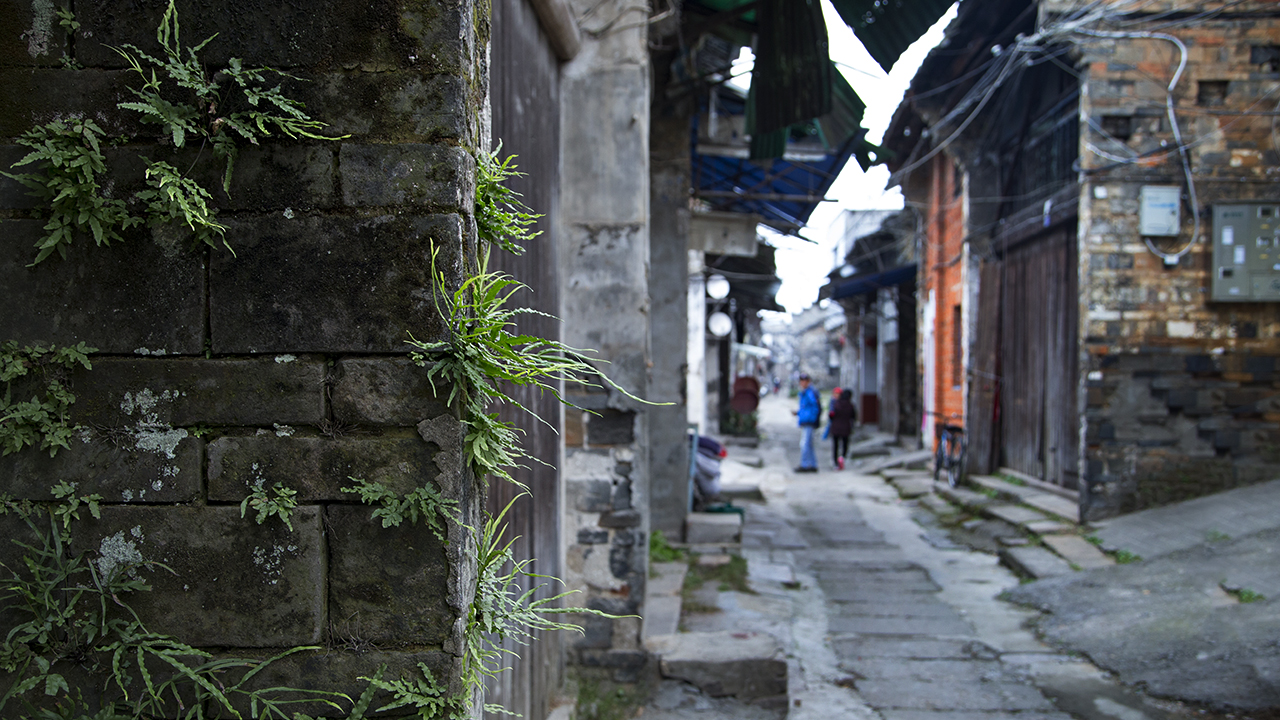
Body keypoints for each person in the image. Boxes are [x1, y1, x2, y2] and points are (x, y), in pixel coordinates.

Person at [792, 373, 820, 472]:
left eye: (804, 381)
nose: (802, 383)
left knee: (804, 444)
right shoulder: (804, 392)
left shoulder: (810, 392)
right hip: (806, 421)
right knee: (809, 444)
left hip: (809, 422)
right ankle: (813, 464)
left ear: (808, 382)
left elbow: (814, 408)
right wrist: (798, 413)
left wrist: (811, 418)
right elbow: (805, 408)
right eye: (801, 381)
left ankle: (804, 465)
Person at [829, 389, 857, 470]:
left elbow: (831, 416)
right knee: (845, 444)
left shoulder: (836, 404)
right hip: (846, 428)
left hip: (836, 427)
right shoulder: (850, 405)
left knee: (835, 446)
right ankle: (842, 458)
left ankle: (835, 462)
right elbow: (853, 417)